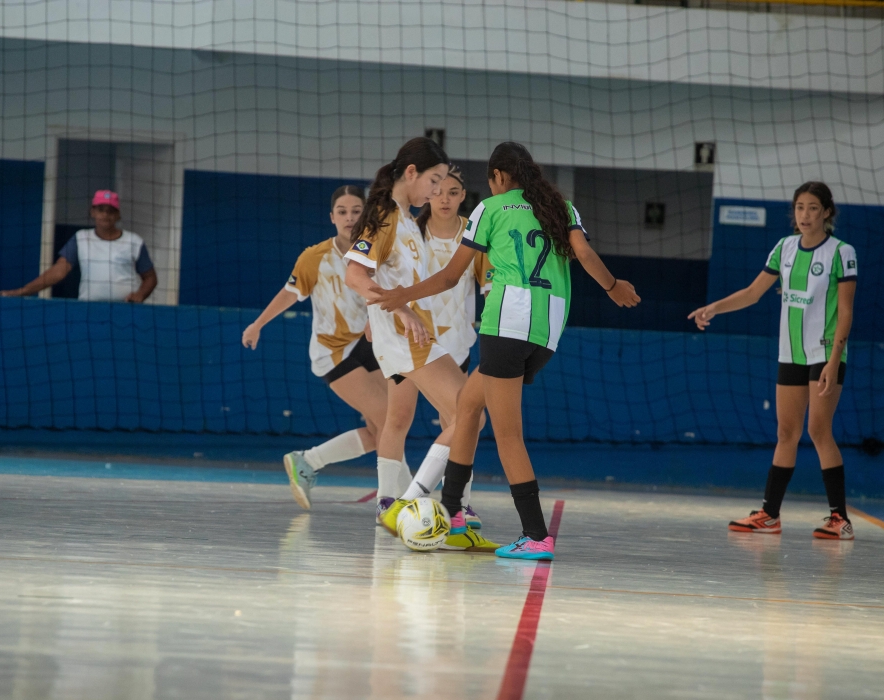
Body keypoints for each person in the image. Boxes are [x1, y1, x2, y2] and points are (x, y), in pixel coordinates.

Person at [371, 142, 640, 560]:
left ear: (497, 177)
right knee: (467, 406)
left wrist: (402, 295)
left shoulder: (490, 209)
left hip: (507, 322)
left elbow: (450, 277)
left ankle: (535, 534)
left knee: (507, 434)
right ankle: (454, 516)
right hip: (547, 329)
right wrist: (614, 286)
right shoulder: (562, 208)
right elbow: (584, 253)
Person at [344, 137, 500, 553]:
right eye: (433, 181)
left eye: (445, 185)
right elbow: (355, 276)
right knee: (468, 416)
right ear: (411, 173)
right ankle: (414, 505)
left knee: (466, 416)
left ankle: (443, 511)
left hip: (421, 337)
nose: (435, 192)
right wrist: (399, 312)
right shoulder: (384, 215)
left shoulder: (408, 221)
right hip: (406, 339)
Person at [689, 181, 857, 540]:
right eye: (800, 207)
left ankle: (840, 519)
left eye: (813, 208)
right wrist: (713, 308)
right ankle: (770, 515)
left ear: (827, 212)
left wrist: (834, 360)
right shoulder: (784, 248)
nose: (805, 215)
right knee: (786, 432)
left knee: (818, 430)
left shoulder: (841, 252)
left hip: (824, 353)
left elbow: (845, 311)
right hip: (790, 352)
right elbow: (753, 293)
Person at [242, 185, 392, 510]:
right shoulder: (315, 257)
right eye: (342, 212)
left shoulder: (379, 251)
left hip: (369, 344)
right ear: (332, 217)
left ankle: (308, 461)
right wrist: (258, 324)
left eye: (356, 211)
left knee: (380, 429)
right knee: (390, 419)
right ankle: (393, 500)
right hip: (333, 350)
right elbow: (290, 292)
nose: (349, 218)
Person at [0, 190, 157, 303]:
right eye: (101, 210)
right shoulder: (81, 238)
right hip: (89, 309)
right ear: (92, 212)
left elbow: (150, 278)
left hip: (126, 310)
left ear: (118, 215)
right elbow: (58, 271)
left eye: (111, 211)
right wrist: (23, 291)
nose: (105, 215)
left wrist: (140, 295)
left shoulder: (134, 241)